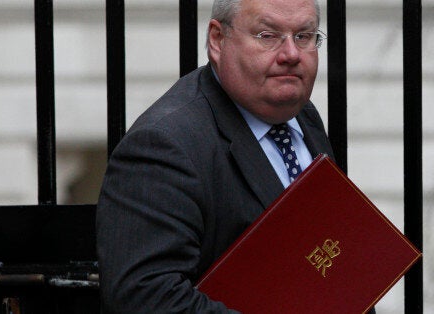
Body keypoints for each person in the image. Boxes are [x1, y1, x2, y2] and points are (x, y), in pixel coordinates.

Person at [96, 0, 335, 312]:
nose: (291, 54)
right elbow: (145, 297)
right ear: (217, 39)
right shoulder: (164, 145)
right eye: (268, 35)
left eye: (303, 36)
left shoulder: (301, 115)